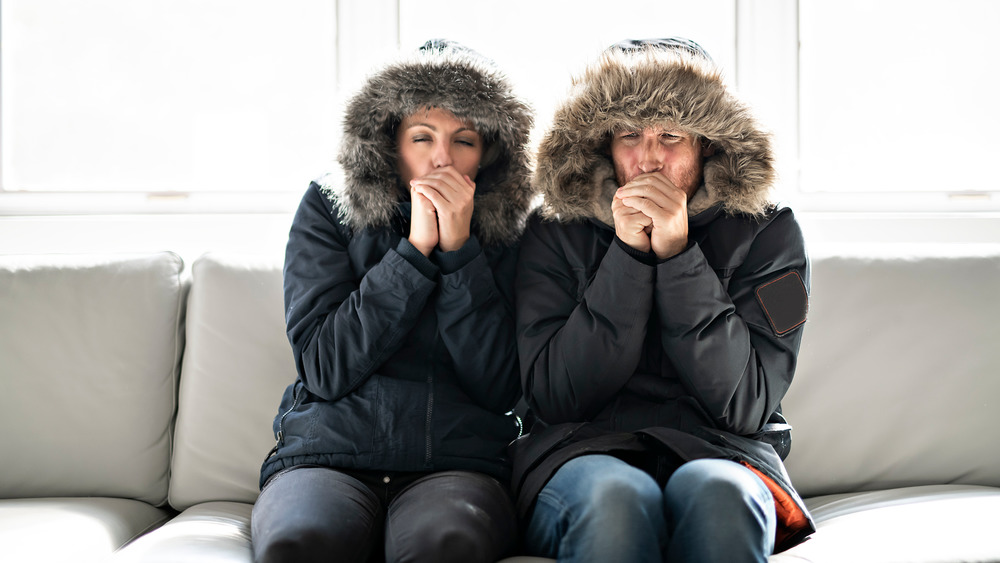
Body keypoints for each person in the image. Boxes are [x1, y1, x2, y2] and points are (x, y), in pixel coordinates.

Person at [511, 38, 816, 563]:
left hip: (723, 450)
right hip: (580, 450)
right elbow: (556, 398)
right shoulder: (552, 231)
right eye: (630, 134)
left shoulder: (772, 233)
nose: (649, 157)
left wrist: (678, 257)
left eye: (670, 135)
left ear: (708, 144)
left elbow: (747, 405)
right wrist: (627, 258)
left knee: (722, 500)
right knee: (616, 501)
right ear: (603, 144)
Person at [251, 39, 534, 563]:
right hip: (325, 457)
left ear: (490, 154)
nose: (442, 158)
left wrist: (459, 253)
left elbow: (501, 386)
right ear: (389, 144)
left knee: (444, 546)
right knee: (299, 545)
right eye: (422, 137)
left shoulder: (518, 232)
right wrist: (414, 253)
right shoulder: (328, 207)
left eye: (464, 140)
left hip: (457, 463)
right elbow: (325, 366)